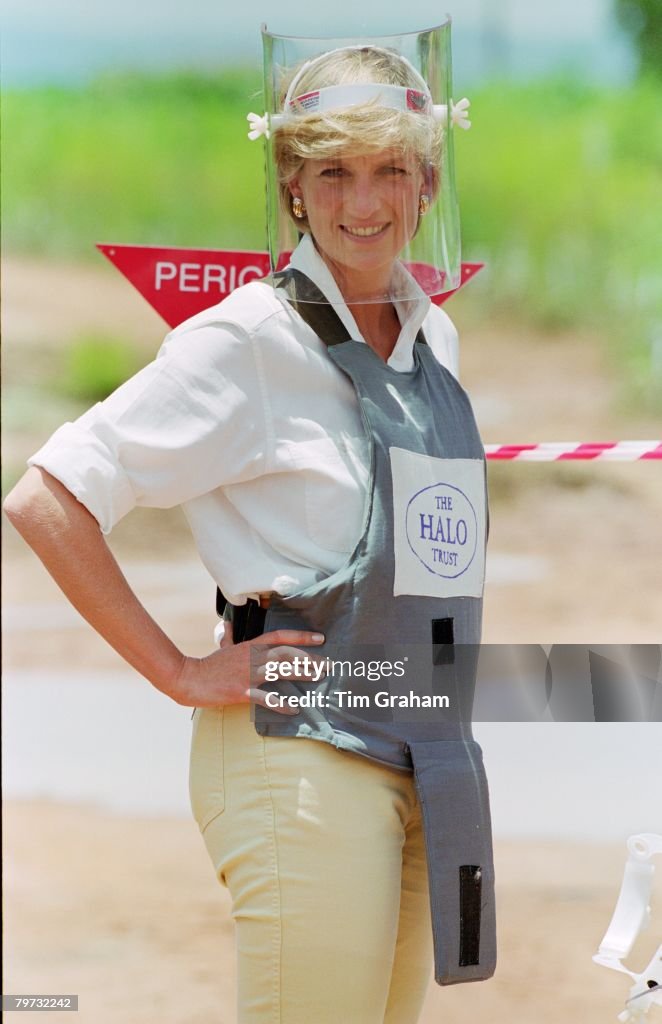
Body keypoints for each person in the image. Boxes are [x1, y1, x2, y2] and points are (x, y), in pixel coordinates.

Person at [4, 23, 495, 1023]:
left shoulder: (432, 330)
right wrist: (178, 672)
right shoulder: (246, 341)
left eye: (389, 170)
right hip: (296, 752)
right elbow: (48, 494)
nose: (362, 202)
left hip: (420, 750)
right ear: (291, 189)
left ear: (426, 186)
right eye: (333, 172)